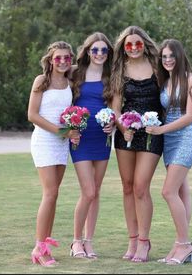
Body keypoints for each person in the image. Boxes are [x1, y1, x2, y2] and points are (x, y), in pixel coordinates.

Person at [110, 26, 163, 263]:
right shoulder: (119, 71)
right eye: (128, 44)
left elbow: (171, 95)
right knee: (128, 187)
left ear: (144, 45)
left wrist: (189, 112)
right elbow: (115, 108)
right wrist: (123, 128)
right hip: (126, 133)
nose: (133, 48)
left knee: (141, 187)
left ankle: (144, 241)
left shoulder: (158, 68)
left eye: (137, 44)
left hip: (152, 133)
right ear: (123, 47)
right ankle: (132, 239)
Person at [145, 38, 192, 265]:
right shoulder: (164, 81)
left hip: (186, 138)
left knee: (168, 191)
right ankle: (180, 245)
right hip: (169, 140)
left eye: (171, 56)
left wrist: (160, 130)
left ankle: (185, 245)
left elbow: (189, 116)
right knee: (180, 191)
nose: (167, 60)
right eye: (164, 57)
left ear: (179, 56)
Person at [28, 41, 80, 266]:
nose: (62, 61)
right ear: (50, 60)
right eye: (57, 58)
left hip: (62, 143)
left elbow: (89, 64)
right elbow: (32, 115)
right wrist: (63, 131)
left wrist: (71, 132)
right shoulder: (42, 81)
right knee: (49, 193)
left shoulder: (70, 81)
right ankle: (40, 249)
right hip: (45, 141)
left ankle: (44, 246)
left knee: (55, 194)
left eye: (67, 58)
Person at [69, 32, 114, 259]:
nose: (99, 54)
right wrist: (66, 131)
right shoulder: (74, 73)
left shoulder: (111, 76)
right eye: (95, 50)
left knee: (95, 192)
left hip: (103, 139)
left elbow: (115, 109)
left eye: (104, 50)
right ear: (87, 51)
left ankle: (89, 242)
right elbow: (62, 101)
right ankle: (76, 242)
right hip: (81, 139)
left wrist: (113, 124)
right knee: (87, 192)